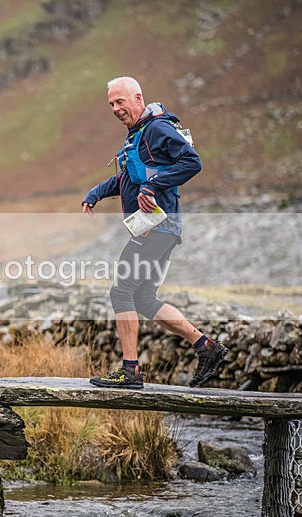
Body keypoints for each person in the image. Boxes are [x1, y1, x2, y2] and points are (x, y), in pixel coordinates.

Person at [82, 77, 228, 390]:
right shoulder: (136, 134)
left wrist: (153, 185)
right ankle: (207, 347)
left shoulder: (157, 128)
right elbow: (128, 179)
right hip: (158, 229)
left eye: (120, 102)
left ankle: (130, 371)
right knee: (145, 299)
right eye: (111, 104)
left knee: (121, 292)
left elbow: (192, 162)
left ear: (137, 98)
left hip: (157, 227)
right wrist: (95, 192)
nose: (116, 109)